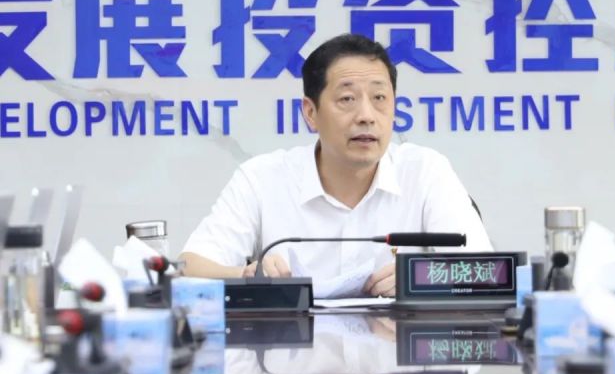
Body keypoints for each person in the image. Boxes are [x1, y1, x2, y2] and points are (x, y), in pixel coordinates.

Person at [180, 34, 492, 297]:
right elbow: (188, 268)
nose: (366, 116)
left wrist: (420, 278)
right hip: (292, 349)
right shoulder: (262, 179)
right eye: (347, 99)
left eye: (379, 98)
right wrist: (246, 275)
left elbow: (488, 273)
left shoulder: (425, 171)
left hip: (401, 346)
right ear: (310, 113)